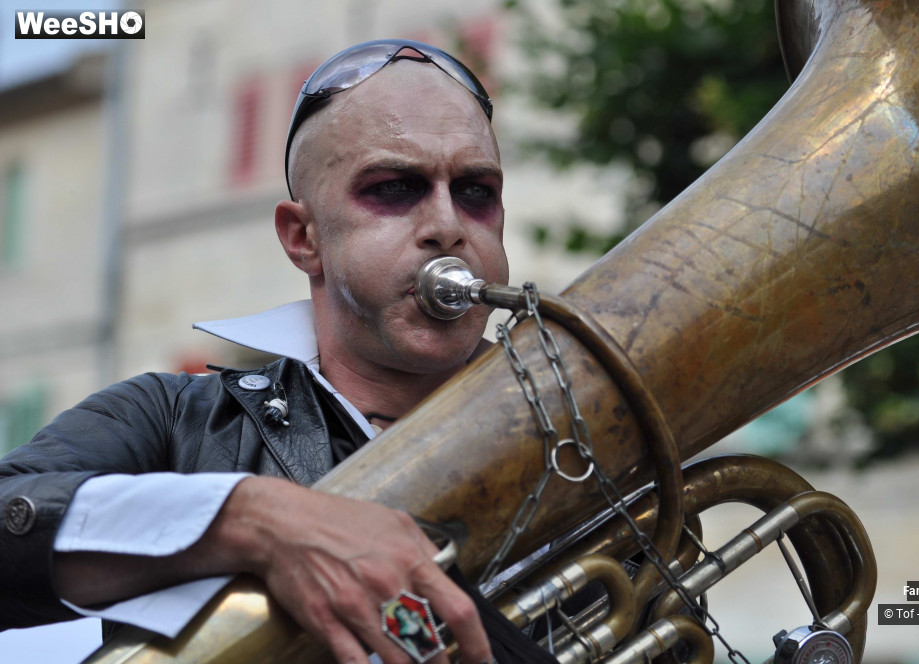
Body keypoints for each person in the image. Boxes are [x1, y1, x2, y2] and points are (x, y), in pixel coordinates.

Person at [0, 40, 548, 664]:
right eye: (396, 187)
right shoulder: (173, 420)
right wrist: (251, 518)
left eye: (477, 192)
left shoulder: (574, 425)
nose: (448, 225)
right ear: (302, 237)